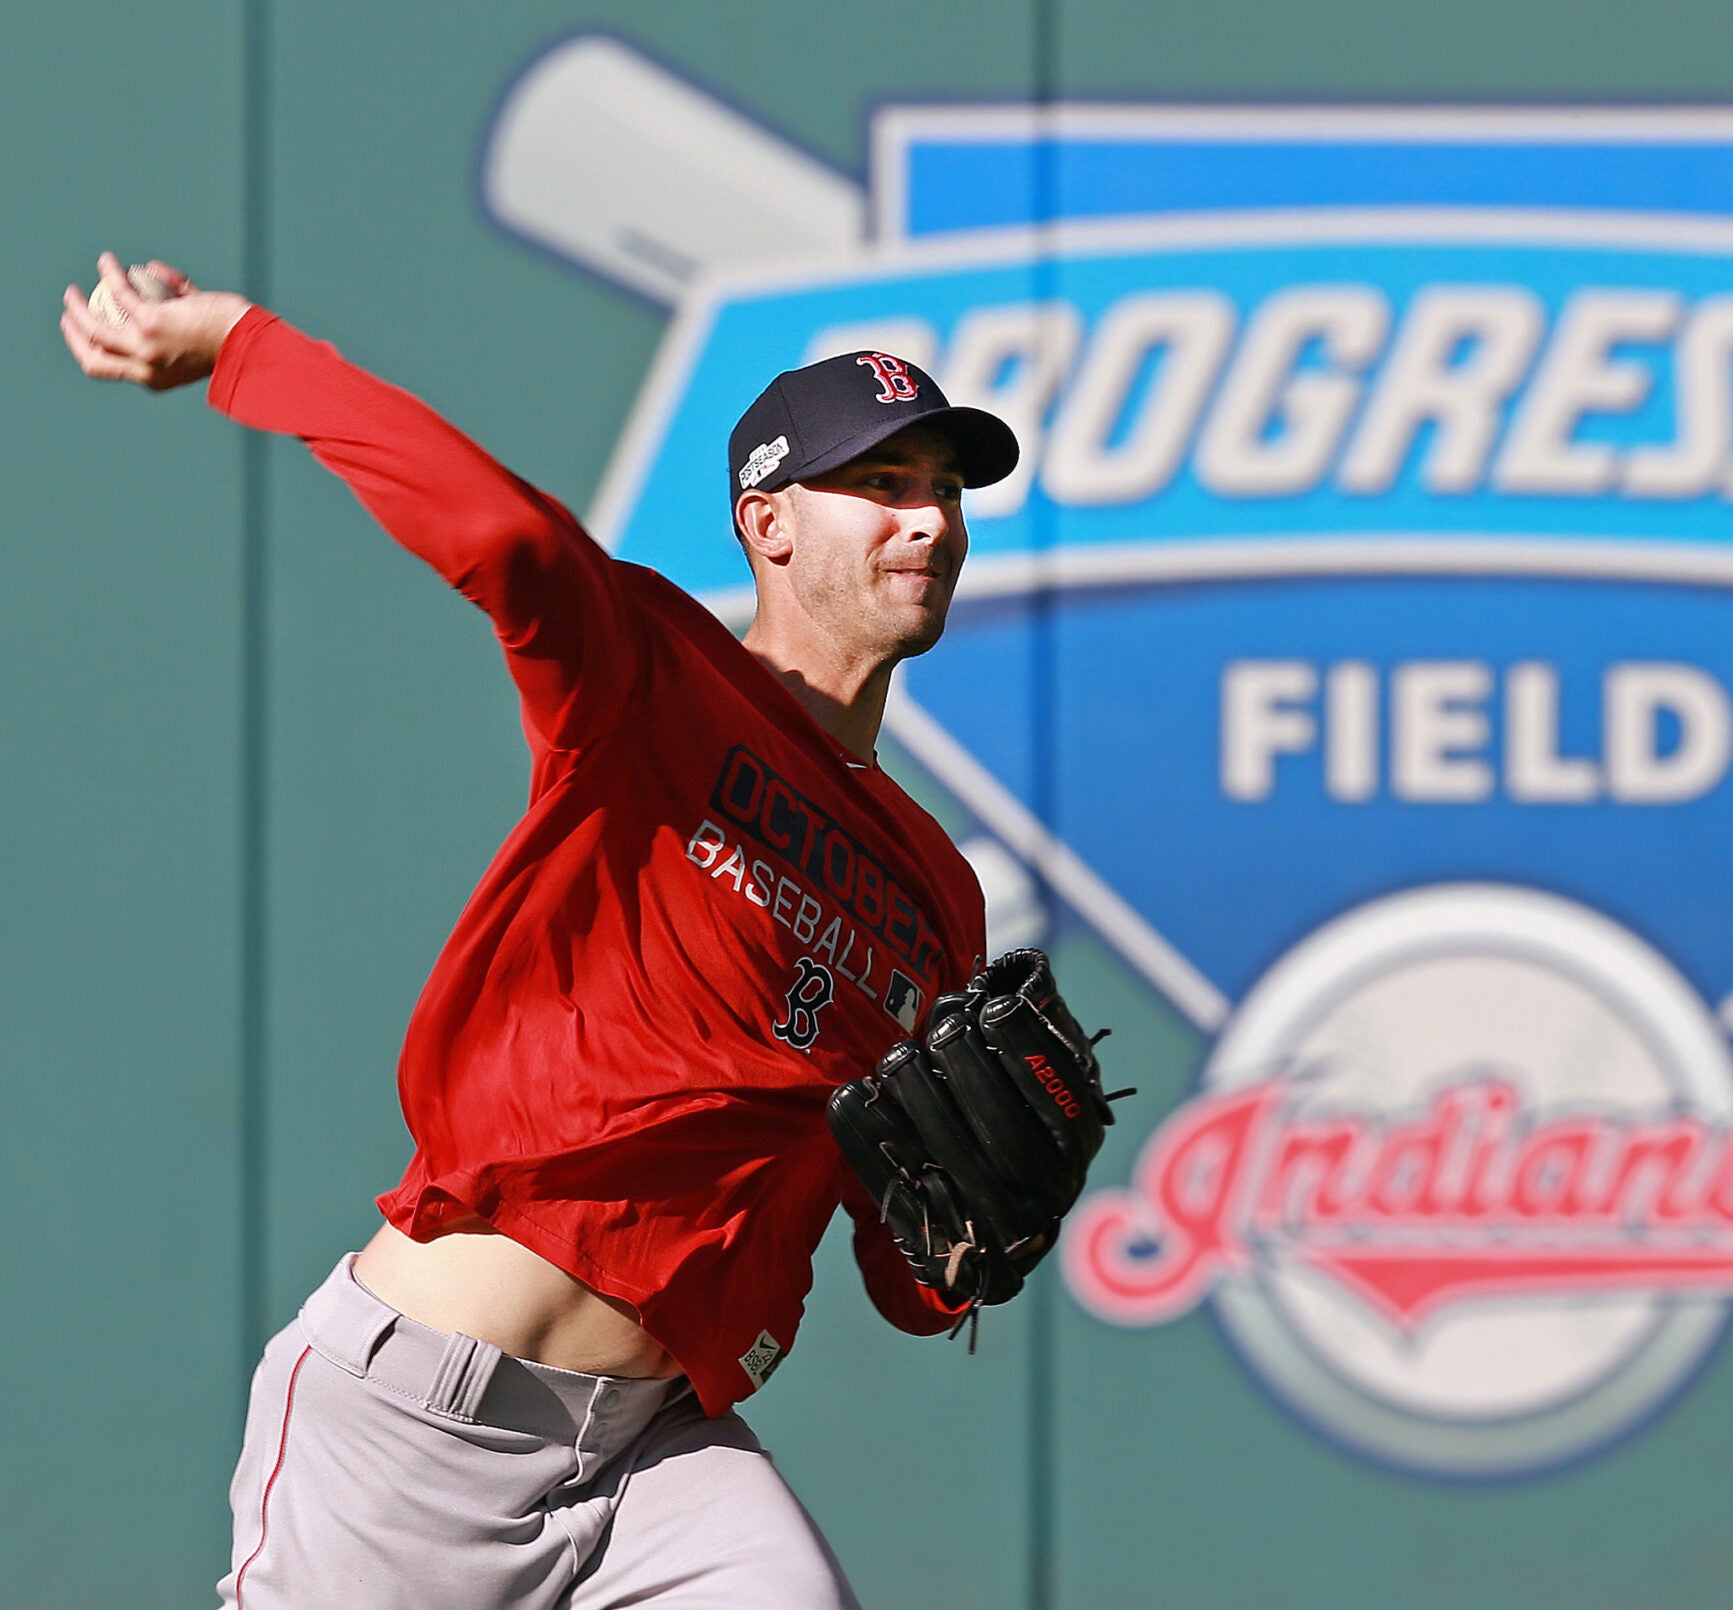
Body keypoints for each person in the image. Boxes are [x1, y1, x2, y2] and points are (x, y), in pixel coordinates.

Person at [61, 253, 1020, 1607]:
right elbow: (502, 536)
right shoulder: (657, 676)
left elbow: (892, 1255)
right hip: (417, 1431)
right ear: (768, 523)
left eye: (943, 490)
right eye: (880, 483)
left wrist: (965, 1253)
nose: (929, 519)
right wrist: (239, 344)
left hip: (649, 1459)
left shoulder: (937, 895)